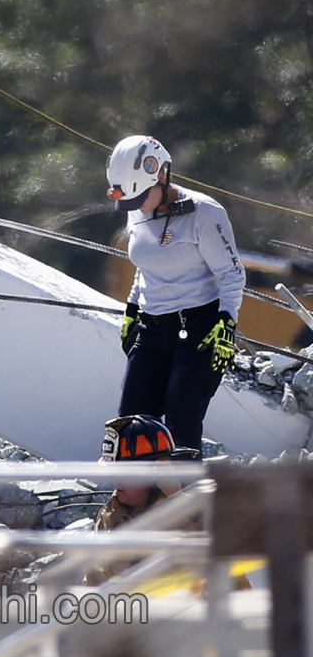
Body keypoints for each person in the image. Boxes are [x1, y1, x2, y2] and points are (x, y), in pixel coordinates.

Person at [105, 135, 245, 456]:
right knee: (132, 424)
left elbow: (232, 274)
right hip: (152, 329)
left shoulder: (205, 213)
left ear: (162, 176)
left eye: (140, 196)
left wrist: (227, 323)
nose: (135, 206)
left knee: (181, 422)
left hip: (199, 329)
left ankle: (186, 502)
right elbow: (146, 266)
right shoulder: (137, 209)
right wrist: (132, 308)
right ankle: (137, 502)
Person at [84, 415, 199, 586]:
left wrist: (177, 501)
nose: (116, 483)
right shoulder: (110, 515)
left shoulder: (194, 514)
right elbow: (94, 578)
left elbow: (232, 584)